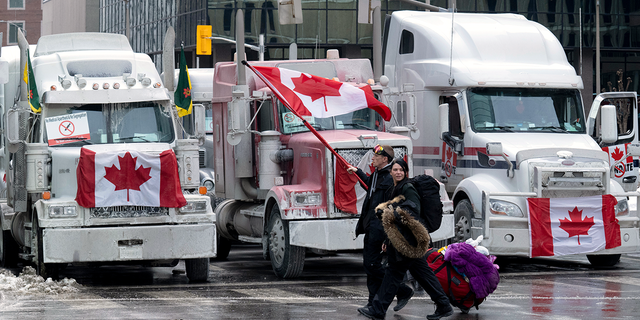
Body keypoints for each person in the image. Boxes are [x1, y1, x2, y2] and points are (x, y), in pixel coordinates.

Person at [358, 159, 453, 320]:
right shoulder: (394, 188)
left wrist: (391, 213)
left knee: (393, 273)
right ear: (391, 172)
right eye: (395, 170)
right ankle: (444, 305)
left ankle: (378, 310)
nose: (398, 172)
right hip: (406, 240)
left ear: (405, 172)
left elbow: (413, 210)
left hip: (409, 241)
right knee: (423, 274)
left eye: (401, 170)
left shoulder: (408, 188)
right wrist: (387, 240)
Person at [347, 145, 414, 313]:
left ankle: (401, 290)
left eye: (376, 156)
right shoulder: (377, 175)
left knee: (372, 265)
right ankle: (372, 302)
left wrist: (387, 235)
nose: (373, 158)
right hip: (370, 227)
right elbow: (369, 185)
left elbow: (390, 208)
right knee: (370, 265)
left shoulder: (388, 178)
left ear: (385, 159)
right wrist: (357, 171)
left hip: (379, 228)